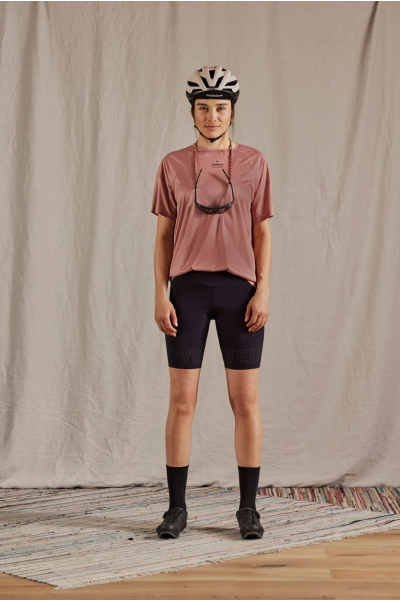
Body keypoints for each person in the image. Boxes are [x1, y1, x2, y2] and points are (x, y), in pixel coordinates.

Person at [151, 66, 273, 540]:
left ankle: (248, 510)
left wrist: (263, 289)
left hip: (240, 291)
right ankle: (176, 509)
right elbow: (164, 235)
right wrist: (160, 294)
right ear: (193, 112)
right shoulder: (172, 164)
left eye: (220, 108)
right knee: (182, 402)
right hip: (188, 292)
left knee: (246, 402)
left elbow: (262, 232)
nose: (212, 116)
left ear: (232, 111)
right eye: (203, 107)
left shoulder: (255, 162)